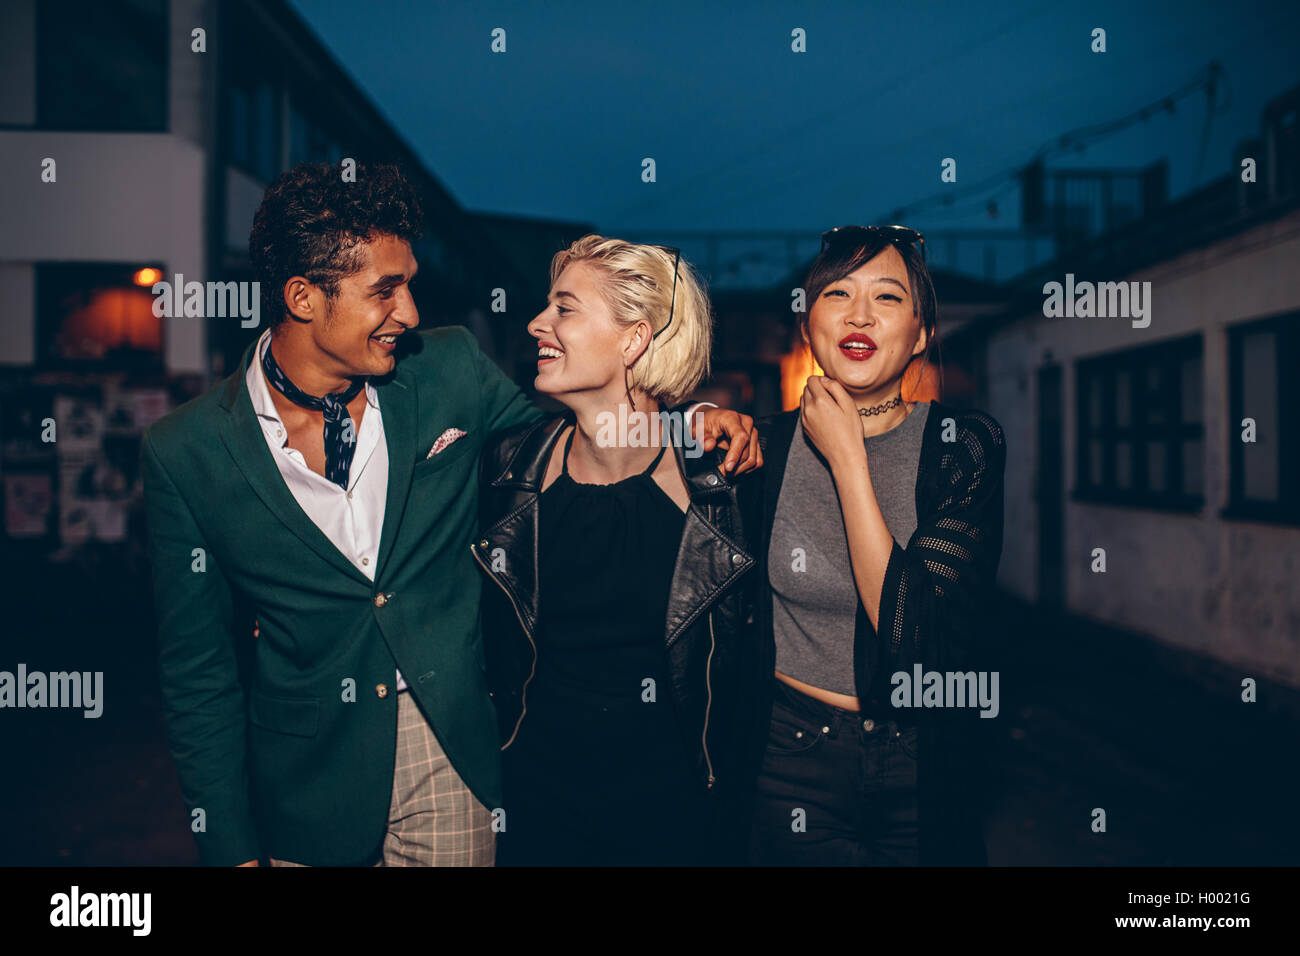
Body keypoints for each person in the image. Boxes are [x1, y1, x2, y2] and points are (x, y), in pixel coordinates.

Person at [141, 163, 758, 867]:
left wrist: (692, 422)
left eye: (407, 284)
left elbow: (577, 444)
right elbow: (198, 670)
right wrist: (228, 848)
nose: (407, 312)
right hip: (307, 787)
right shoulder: (184, 451)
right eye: (384, 290)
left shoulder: (449, 369)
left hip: (458, 758)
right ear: (305, 297)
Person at [474, 236, 760, 865]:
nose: (536, 324)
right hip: (534, 804)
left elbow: (751, 673)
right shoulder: (509, 469)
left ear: (634, 339)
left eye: (565, 308)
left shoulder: (718, 485)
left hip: (674, 812)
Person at [736, 225, 1006, 866]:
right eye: (837, 294)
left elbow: (913, 638)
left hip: (921, 764)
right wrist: (691, 421)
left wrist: (848, 459)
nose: (859, 314)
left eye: (887, 298)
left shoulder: (964, 447)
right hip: (787, 762)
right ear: (809, 324)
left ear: (921, 334)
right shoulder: (757, 451)